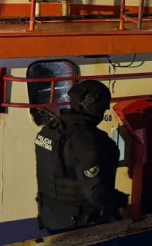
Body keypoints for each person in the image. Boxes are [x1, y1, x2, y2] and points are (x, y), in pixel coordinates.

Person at [34, 80, 128, 234]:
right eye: (103, 108)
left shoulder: (49, 130)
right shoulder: (86, 141)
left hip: (51, 218)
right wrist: (120, 200)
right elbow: (95, 194)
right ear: (93, 105)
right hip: (80, 224)